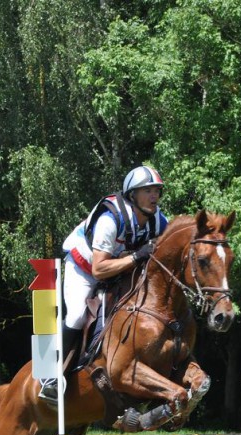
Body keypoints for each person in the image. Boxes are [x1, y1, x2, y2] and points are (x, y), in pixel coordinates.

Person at [38, 165, 168, 405]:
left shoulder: (158, 221)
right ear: (132, 195)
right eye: (148, 190)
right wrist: (136, 257)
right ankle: (50, 377)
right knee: (77, 316)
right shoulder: (110, 219)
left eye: (157, 191)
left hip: (119, 272)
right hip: (85, 269)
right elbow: (99, 268)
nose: (154, 196)